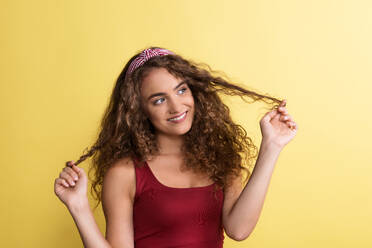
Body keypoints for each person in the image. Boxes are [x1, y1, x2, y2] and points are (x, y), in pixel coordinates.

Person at [54, 47, 298, 248]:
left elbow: (239, 229)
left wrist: (272, 146)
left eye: (181, 90)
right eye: (159, 99)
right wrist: (79, 207)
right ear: (139, 111)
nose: (176, 106)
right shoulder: (126, 173)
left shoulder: (221, 159)